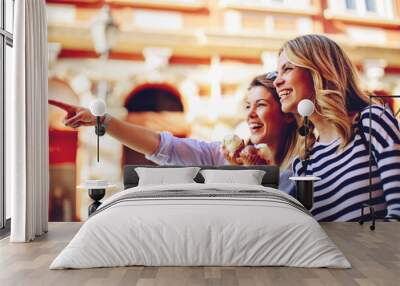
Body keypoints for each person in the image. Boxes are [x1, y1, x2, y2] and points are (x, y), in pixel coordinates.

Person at [49, 74, 298, 193]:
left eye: (261, 105)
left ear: (287, 112)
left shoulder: (302, 168)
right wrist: (101, 120)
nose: (250, 114)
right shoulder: (218, 155)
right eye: (247, 106)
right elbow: (161, 146)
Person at [273, 34, 400, 221]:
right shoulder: (303, 162)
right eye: (277, 73)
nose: (277, 81)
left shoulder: (372, 121)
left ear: (319, 70)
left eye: (287, 69)